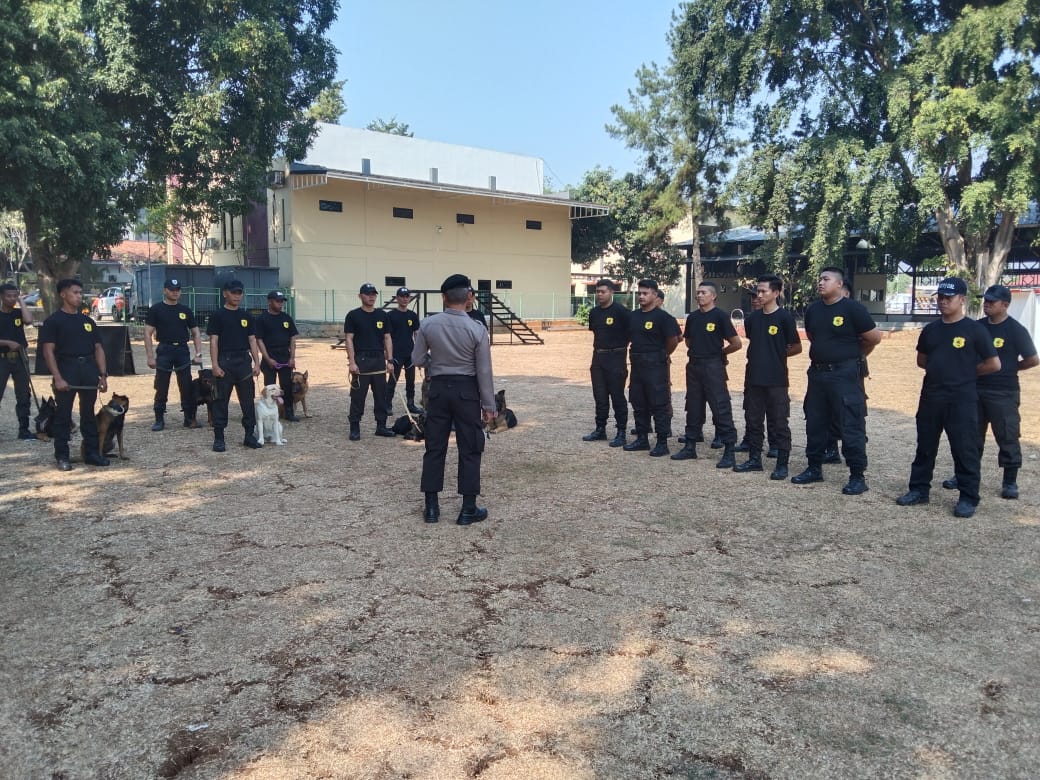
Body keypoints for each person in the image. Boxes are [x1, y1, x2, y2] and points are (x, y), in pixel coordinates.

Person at [896, 277, 1000, 518]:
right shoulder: (931, 330)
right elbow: (922, 360)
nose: (943, 301)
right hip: (931, 397)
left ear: (962, 300)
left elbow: (994, 364)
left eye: (948, 298)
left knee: (964, 449)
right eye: (940, 297)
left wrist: (965, 373)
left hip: (961, 399)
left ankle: (968, 497)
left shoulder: (975, 330)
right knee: (925, 446)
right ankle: (919, 489)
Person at [411, 273, 496, 525]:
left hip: (438, 390)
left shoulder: (428, 324)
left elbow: (417, 359)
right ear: (468, 296)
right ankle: (468, 508)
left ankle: (431, 508)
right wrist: (489, 405)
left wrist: (434, 363)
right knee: (470, 447)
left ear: (443, 297)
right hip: (466, 391)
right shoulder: (477, 328)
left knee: (434, 446)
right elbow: (484, 370)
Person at [940, 284, 1037, 499]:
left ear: (1005, 305)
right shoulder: (977, 327)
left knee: (1007, 435)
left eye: (992, 302)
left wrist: (1009, 368)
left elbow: (1032, 359)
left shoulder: (1015, 330)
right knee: (970, 436)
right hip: (975, 389)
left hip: (1003, 392)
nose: (987, 304)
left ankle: (1010, 481)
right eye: (986, 300)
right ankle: (964, 475)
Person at [792, 266, 881, 494]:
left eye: (826, 279)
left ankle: (857, 476)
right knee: (815, 422)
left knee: (850, 424)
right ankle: (814, 468)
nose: (821, 283)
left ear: (839, 284)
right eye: (820, 279)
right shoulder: (813, 310)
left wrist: (851, 355)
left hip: (844, 374)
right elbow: (813, 336)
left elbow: (873, 338)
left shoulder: (853, 309)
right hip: (818, 374)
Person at [733, 275, 802, 479]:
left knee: (779, 422)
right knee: (753, 420)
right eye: (758, 291)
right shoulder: (752, 319)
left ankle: (782, 464)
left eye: (764, 291)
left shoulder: (785, 318)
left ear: (776, 293)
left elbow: (796, 347)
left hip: (776, 380)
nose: (759, 295)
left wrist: (776, 355)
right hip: (754, 378)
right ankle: (754, 459)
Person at [38, 278, 109, 470]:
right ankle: (62, 456)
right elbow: (48, 352)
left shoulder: (87, 321)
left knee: (88, 414)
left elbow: (98, 348)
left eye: (80, 292)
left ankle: (92, 453)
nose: (79, 296)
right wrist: (58, 378)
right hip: (66, 369)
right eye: (75, 292)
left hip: (88, 370)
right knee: (63, 415)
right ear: (63, 294)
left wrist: (103, 375)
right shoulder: (53, 322)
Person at [671, 281, 742, 465]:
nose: (699, 295)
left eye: (703, 292)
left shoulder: (720, 316)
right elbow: (688, 341)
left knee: (720, 406)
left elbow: (736, 343)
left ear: (713, 296)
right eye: (698, 292)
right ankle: (690, 446)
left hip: (713, 367)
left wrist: (720, 354)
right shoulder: (693, 317)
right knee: (693, 405)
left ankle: (729, 450)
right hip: (694, 366)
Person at [623, 279, 681, 457]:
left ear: (655, 295)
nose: (641, 296)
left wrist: (662, 354)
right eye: (639, 293)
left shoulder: (663, 318)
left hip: (656, 365)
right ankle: (642, 439)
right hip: (637, 365)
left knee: (659, 404)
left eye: (645, 293)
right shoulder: (633, 316)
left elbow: (673, 341)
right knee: (638, 402)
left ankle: (662, 443)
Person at [207, 279, 262, 452]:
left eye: (240, 293)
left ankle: (249, 435)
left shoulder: (246, 316)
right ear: (225, 293)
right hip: (225, 361)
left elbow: (252, 340)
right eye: (233, 293)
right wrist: (215, 365)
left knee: (248, 401)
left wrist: (257, 363)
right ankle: (219, 438)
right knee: (220, 401)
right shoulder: (217, 315)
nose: (237, 296)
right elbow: (214, 341)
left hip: (243, 362)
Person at [143, 277, 204, 431]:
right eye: (171, 290)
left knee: (186, 385)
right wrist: (150, 357)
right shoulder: (156, 309)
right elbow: (147, 333)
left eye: (177, 290)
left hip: (182, 350)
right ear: (165, 291)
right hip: (165, 350)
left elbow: (196, 332)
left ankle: (189, 418)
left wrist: (198, 353)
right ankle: (159, 418)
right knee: (161, 385)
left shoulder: (185, 310)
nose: (175, 292)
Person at [582, 279, 631, 447]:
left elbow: (630, 333)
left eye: (603, 291)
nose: (599, 294)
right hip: (598, 358)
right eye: (597, 291)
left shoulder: (621, 312)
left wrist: (620, 348)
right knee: (600, 396)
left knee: (617, 396)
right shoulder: (594, 312)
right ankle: (600, 429)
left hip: (616, 358)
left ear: (611, 292)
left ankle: (621, 431)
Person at [344, 282, 395, 440]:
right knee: (358, 396)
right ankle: (355, 427)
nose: (371, 297)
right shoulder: (353, 315)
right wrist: (352, 362)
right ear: (360, 296)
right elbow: (349, 339)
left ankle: (381, 426)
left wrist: (390, 360)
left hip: (378, 359)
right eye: (368, 294)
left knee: (381, 395)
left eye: (373, 294)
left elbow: (387, 337)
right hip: (361, 360)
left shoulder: (382, 315)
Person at [256, 290, 300, 421]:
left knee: (286, 386)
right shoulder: (262, 319)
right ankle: (268, 412)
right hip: (269, 356)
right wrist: (268, 358)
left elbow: (293, 338)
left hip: (285, 357)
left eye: (282, 301)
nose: (280, 304)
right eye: (278, 301)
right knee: (270, 387)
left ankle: (288, 412)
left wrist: (292, 357)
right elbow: (259, 340)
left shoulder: (286, 318)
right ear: (270, 301)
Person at [0, 283, 35, 440]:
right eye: (9, 296)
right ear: (1, 296)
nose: (12, 299)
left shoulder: (18, 313)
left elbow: (29, 321)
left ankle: (24, 429)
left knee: (23, 395)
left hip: (20, 358)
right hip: (2, 358)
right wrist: (7, 343)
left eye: (15, 296)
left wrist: (22, 302)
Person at [385, 287, 422, 417]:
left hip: (409, 353)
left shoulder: (412, 315)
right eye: (402, 296)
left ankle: (411, 403)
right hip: (396, 353)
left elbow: (417, 333)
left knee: (411, 381)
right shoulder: (390, 315)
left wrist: (418, 351)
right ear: (397, 298)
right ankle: (387, 404)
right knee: (392, 380)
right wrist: (388, 355)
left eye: (407, 296)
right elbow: (386, 336)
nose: (405, 299)